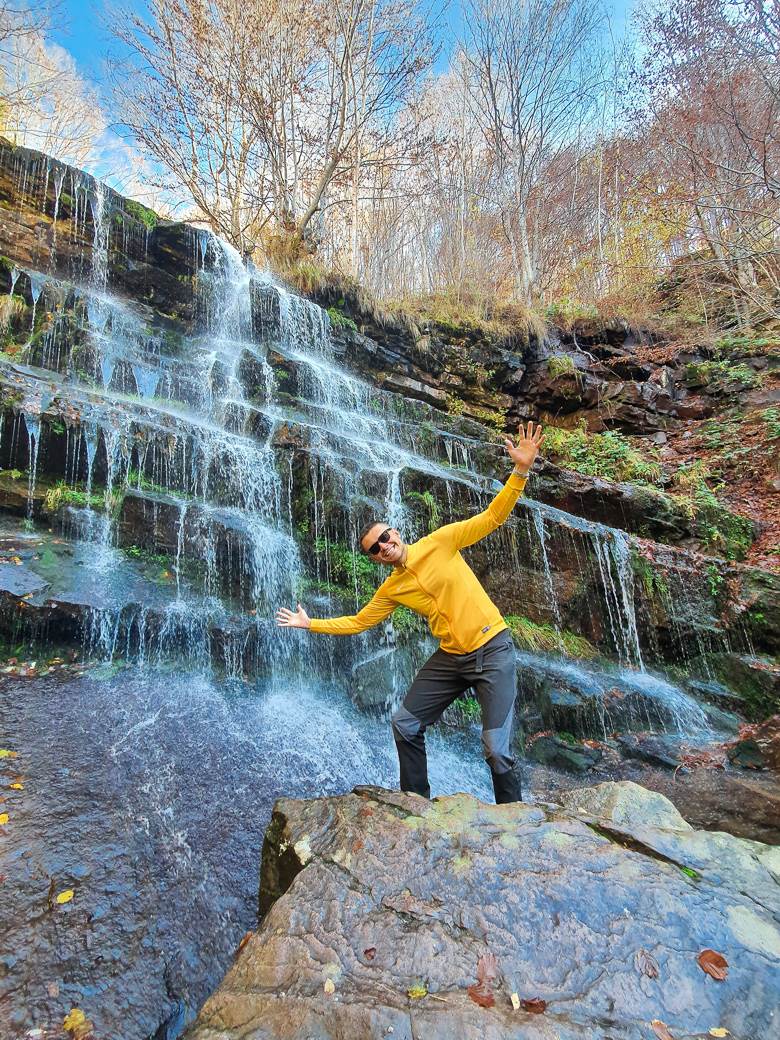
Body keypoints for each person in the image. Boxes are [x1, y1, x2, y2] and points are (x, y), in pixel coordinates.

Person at [276, 420, 545, 804]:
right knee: (405, 724)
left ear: (396, 533)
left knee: (496, 749)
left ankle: (514, 821)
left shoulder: (441, 541)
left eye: (385, 537)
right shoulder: (391, 587)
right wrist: (309, 622)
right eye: (375, 548)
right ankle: (414, 805)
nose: (384, 546)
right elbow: (359, 622)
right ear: (374, 558)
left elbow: (492, 517)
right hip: (452, 659)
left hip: (493, 651)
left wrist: (520, 470)